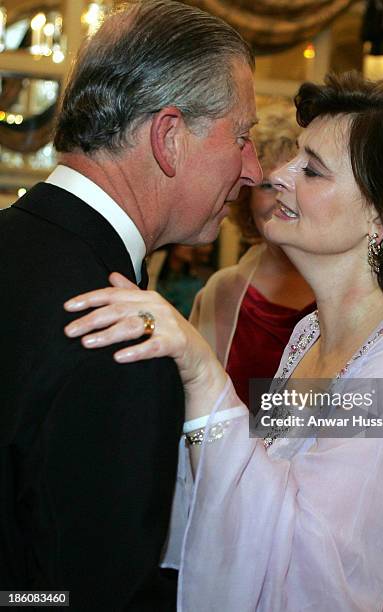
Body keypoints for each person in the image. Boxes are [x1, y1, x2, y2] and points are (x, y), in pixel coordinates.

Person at [63, 72, 383, 611]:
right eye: (292, 158)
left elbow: (321, 567)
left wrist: (204, 374)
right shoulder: (308, 334)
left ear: (381, 217)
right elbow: (261, 500)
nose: (277, 176)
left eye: (311, 169)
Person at [0, 1, 260, 609]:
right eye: (243, 137)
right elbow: (87, 594)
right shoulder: (121, 325)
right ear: (168, 137)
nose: (256, 171)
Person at [190, 105, 315, 406]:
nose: (282, 198)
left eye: (296, 185)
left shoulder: (349, 289)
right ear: (246, 197)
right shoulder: (221, 293)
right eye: (267, 186)